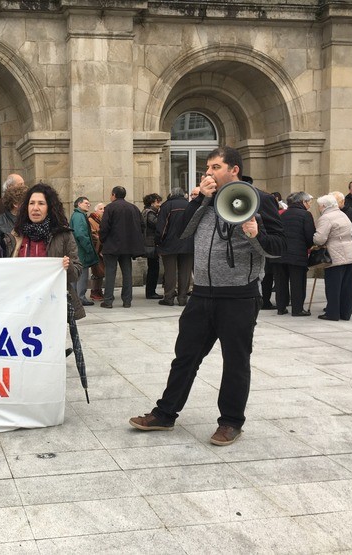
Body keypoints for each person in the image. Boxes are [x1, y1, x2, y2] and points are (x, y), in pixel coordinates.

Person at [129, 146, 285, 446]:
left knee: (235, 362)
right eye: (207, 168)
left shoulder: (261, 200)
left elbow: (279, 247)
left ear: (233, 170)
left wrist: (257, 234)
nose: (208, 173)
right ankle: (164, 414)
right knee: (185, 357)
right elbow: (181, 234)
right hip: (201, 294)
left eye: (215, 167)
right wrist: (201, 199)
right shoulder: (204, 200)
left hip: (239, 295)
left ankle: (230, 422)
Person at [2, 183, 87, 377]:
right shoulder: (16, 235)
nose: (35, 208)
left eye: (41, 203)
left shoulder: (63, 235)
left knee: (46, 352)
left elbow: (77, 270)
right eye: (31, 203)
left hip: (50, 306)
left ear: (50, 207)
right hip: (20, 304)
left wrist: (67, 267)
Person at [313, 194, 352, 321]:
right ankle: (345, 313)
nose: (318, 208)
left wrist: (314, 239)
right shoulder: (342, 214)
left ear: (323, 206)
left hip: (335, 254)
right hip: (350, 252)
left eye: (319, 206)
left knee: (334, 285)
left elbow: (319, 239)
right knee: (347, 285)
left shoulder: (326, 218)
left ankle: (332, 313)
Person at [99, 186, 145, 308]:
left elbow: (104, 227)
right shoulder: (133, 208)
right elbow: (142, 225)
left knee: (110, 273)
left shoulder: (110, 208)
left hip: (111, 245)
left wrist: (103, 240)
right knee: (127, 273)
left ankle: (108, 301)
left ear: (113, 195)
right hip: (128, 246)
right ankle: (127, 301)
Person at [270, 192, 315, 316]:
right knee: (298, 282)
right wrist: (309, 246)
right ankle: (297, 309)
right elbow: (310, 235)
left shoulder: (281, 214)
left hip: (279, 253)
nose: (310, 205)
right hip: (297, 254)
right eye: (309, 202)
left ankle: (281, 307)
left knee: (280, 282)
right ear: (303, 202)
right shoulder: (306, 215)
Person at [156, 188, 194, 306]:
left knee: (170, 272)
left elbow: (162, 226)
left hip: (169, 244)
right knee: (185, 271)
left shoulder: (167, 206)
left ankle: (169, 297)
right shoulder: (190, 205)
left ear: (171, 194)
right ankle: (182, 298)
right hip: (188, 244)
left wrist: (159, 241)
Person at [70, 196, 99, 306]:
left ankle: (75, 298)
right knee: (82, 275)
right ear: (79, 204)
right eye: (86, 203)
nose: (89, 205)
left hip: (77, 250)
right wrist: (89, 249)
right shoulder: (79, 216)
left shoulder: (78, 215)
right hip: (81, 251)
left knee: (76, 275)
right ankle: (80, 298)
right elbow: (81, 234)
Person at [142, 193, 163, 299]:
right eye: (158, 202)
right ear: (152, 202)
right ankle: (151, 292)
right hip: (151, 244)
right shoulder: (150, 213)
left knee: (153, 268)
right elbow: (157, 224)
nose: (159, 204)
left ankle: (151, 291)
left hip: (150, 244)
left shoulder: (148, 211)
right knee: (153, 269)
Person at [87, 202, 105, 301]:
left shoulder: (101, 220)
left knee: (101, 271)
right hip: (96, 248)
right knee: (97, 271)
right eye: (101, 209)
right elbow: (91, 234)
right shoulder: (91, 220)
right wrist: (99, 237)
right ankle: (94, 291)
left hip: (101, 248)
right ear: (96, 211)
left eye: (104, 209)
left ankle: (98, 290)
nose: (103, 211)